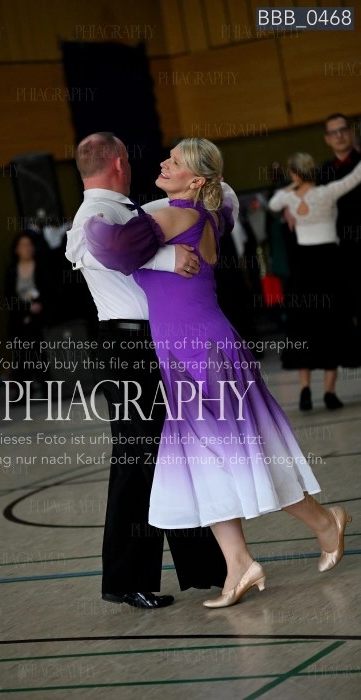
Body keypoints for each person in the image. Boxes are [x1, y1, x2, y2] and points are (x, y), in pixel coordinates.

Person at [84, 137, 352, 608]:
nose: (163, 163)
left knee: (242, 453)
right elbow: (217, 201)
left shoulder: (174, 217)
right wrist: (162, 252)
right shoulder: (200, 214)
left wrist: (94, 212)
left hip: (201, 355)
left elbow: (107, 244)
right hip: (190, 354)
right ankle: (239, 562)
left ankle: (324, 522)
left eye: (174, 162)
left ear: (195, 180)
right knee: (206, 461)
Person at [66, 132, 234, 609]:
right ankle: (173, 572)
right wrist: (167, 256)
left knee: (151, 458)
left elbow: (222, 198)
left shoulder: (133, 209)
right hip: (127, 347)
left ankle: (187, 570)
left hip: (148, 343)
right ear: (120, 162)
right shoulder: (95, 214)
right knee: (152, 461)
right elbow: (91, 251)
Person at [268, 152, 361, 410]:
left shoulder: (287, 197)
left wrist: (292, 186)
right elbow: (355, 177)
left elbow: (273, 203)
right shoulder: (327, 193)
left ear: (293, 173)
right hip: (329, 265)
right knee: (333, 323)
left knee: (303, 326)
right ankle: (330, 392)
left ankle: (305, 389)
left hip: (303, 268)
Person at [318, 112, 361, 367]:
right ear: (327, 139)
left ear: (351, 132)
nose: (339, 136)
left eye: (343, 130)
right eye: (333, 132)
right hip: (343, 249)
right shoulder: (323, 172)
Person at [4, 232, 51, 398]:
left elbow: (49, 290)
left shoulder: (42, 267)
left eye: (29, 245)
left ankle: (48, 387)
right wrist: (25, 310)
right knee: (21, 354)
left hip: (40, 317)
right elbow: (9, 296)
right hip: (20, 319)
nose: (27, 249)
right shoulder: (12, 271)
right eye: (23, 245)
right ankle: (23, 391)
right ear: (16, 249)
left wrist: (38, 306)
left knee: (40, 352)